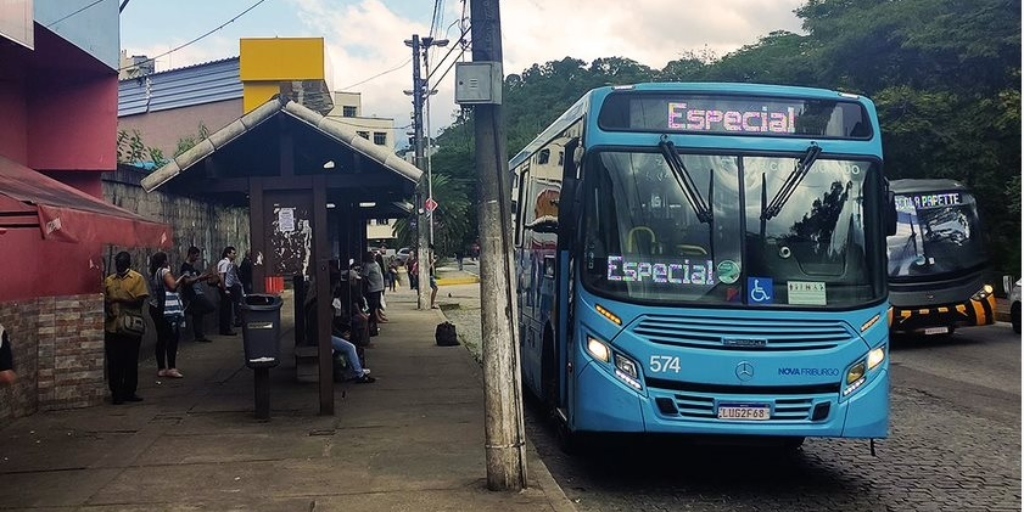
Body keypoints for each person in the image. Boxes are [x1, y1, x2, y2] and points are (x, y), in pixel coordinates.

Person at [103, 251, 149, 404]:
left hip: (130, 325)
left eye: (122, 264)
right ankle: (116, 392)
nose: (120, 266)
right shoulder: (109, 281)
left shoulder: (137, 279)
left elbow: (139, 301)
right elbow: (104, 300)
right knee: (114, 361)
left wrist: (119, 299)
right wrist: (108, 307)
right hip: (113, 326)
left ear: (128, 264)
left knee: (130, 360)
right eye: (118, 264)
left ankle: (129, 391)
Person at [149, 252, 187, 379]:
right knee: (172, 336)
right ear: (164, 261)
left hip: (155, 307)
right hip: (166, 308)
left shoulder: (153, 273)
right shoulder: (164, 271)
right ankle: (171, 367)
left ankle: (161, 368)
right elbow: (173, 286)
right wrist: (182, 278)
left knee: (161, 337)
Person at [180, 246, 215, 342]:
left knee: (198, 315)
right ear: (190, 254)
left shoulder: (192, 267)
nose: (197, 258)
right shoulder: (185, 267)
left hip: (197, 293)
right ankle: (190, 310)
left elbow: (196, 280)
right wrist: (198, 277)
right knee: (210, 307)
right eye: (195, 256)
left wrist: (204, 277)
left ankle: (199, 335)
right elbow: (186, 281)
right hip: (194, 294)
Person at [217, 246, 242, 335]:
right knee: (225, 309)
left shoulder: (230, 263)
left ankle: (226, 328)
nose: (235, 255)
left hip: (227, 287)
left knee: (227, 308)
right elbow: (221, 276)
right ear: (228, 254)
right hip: (225, 288)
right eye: (233, 253)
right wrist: (225, 289)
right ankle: (225, 329)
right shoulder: (225, 263)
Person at [362, 251, 386, 325]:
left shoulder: (376, 263)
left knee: (378, 303)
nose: (373, 257)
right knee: (373, 304)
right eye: (372, 256)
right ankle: (375, 317)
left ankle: (379, 315)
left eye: (373, 256)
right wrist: (368, 284)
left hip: (379, 286)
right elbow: (365, 276)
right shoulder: (367, 265)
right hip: (372, 287)